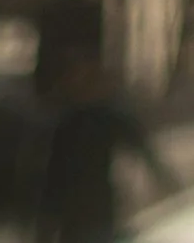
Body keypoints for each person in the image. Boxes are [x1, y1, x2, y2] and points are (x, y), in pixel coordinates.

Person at [30, 48, 177, 243]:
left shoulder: (78, 119)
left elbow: (49, 174)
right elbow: (139, 145)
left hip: (86, 203)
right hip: (87, 203)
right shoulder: (77, 119)